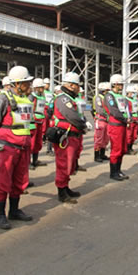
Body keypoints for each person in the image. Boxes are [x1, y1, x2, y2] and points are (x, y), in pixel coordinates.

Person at [0, 66, 34, 229]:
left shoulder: (27, 98)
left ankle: (14, 210)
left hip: (23, 146)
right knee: (4, 180)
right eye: (27, 82)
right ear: (18, 83)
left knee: (20, 180)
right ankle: (0, 214)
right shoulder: (3, 98)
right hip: (8, 146)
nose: (29, 85)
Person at [52, 72, 89, 203]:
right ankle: (61, 191)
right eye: (77, 85)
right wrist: (83, 125)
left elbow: (78, 114)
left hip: (73, 135)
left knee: (69, 164)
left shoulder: (71, 98)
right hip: (65, 136)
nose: (79, 88)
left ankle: (66, 187)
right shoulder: (63, 99)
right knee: (63, 164)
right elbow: (72, 116)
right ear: (71, 85)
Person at [104, 74, 130, 181]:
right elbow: (114, 111)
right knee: (116, 149)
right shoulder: (109, 96)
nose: (122, 86)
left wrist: (129, 118)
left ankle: (118, 170)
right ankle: (113, 172)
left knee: (123, 149)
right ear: (114, 84)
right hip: (115, 125)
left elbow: (126, 109)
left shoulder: (121, 97)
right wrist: (125, 119)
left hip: (122, 125)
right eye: (120, 84)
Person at [28, 78, 47, 170]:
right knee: (31, 143)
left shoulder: (42, 96)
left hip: (40, 121)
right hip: (34, 122)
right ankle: (28, 162)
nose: (43, 88)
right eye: (41, 87)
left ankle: (35, 160)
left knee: (38, 143)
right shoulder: (32, 96)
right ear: (36, 87)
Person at [126, 85, 138, 155]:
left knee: (134, 135)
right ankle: (127, 149)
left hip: (136, 118)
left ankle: (131, 147)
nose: (133, 94)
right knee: (129, 135)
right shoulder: (126, 100)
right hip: (130, 119)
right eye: (132, 92)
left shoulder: (135, 100)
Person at [42, 78, 54, 156]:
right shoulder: (42, 93)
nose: (48, 85)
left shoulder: (50, 93)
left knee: (49, 127)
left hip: (49, 110)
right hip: (44, 110)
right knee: (44, 126)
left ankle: (46, 140)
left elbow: (52, 101)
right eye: (46, 84)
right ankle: (43, 138)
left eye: (48, 84)